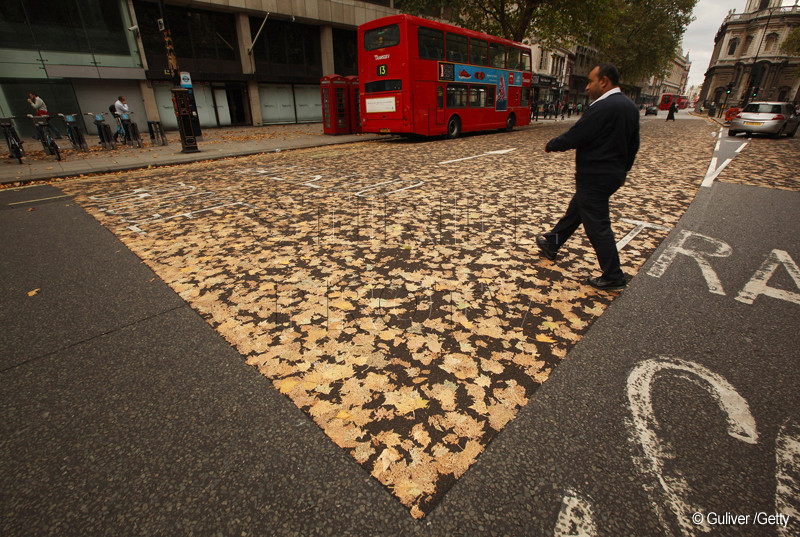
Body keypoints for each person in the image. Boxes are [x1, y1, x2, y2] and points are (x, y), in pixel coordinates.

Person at [537, 63, 640, 291]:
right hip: (612, 174)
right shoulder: (630, 107)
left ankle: (613, 275)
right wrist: (623, 170)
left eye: (591, 81)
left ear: (604, 81)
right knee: (578, 209)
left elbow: (578, 135)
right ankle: (552, 243)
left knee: (598, 225)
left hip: (595, 175)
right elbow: (634, 144)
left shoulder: (602, 106)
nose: (587, 87)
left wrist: (553, 145)